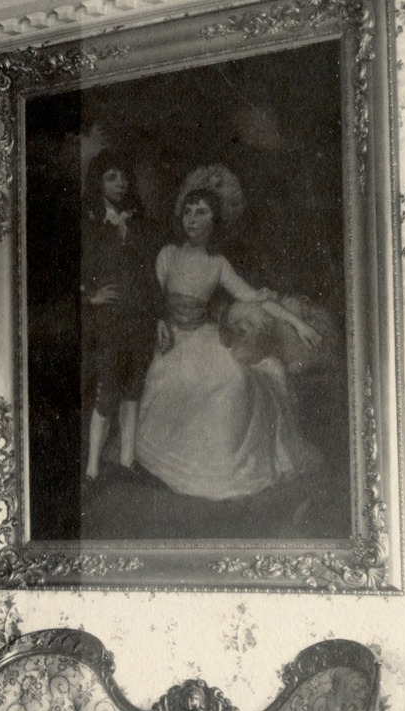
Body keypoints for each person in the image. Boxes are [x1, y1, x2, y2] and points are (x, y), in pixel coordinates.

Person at [133, 167, 324, 501]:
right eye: (188, 212)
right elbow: (151, 299)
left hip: (203, 338)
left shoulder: (218, 263)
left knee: (237, 381)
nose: (192, 220)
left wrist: (298, 323)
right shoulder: (168, 255)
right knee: (170, 383)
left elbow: (254, 297)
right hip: (170, 340)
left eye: (201, 213)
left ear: (215, 221)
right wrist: (159, 321)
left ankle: (223, 467)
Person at [78, 155, 154, 480]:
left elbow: (150, 273)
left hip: (139, 318)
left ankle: (127, 461)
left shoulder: (137, 223)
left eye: (123, 177)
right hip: (108, 321)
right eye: (111, 177)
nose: (120, 184)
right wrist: (90, 296)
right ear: (99, 183)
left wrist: (157, 316)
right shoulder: (90, 223)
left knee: (134, 390)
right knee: (108, 391)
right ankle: (93, 468)